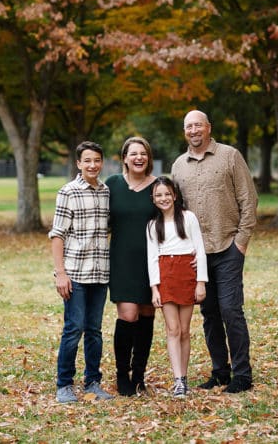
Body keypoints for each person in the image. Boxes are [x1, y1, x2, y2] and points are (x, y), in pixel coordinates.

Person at [171, 110, 258, 393]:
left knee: (231, 310)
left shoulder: (230, 156)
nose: (194, 130)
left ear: (208, 128)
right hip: (196, 254)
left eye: (198, 125)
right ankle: (220, 371)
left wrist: (241, 241)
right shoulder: (178, 165)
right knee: (209, 314)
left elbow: (249, 198)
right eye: (188, 126)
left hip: (227, 245)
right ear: (184, 131)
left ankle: (242, 375)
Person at [49, 141, 114, 404]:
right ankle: (64, 384)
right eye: (87, 160)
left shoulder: (106, 191)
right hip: (75, 273)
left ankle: (93, 382)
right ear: (78, 163)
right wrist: (60, 273)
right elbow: (57, 235)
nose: (93, 165)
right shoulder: (69, 192)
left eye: (97, 160)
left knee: (94, 330)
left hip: (100, 274)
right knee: (73, 329)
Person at [106, 136, 158, 396]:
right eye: (133, 153)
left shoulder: (158, 186)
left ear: (148, 158)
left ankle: (139, 374)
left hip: (152, 263)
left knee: (147, 315)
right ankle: (122, 374)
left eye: (144, 154)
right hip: (122, 261)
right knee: (128, 315)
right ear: (124, 158)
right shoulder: (113, 184)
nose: (139, 158)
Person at [146, 177, 208, 397]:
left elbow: (199, 250)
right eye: (158, 195)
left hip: (187, 275)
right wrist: (155, 288)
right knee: (172, 329)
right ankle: (178, 380)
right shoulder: (153, 225)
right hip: (166, 276)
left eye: (167, 194)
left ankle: (185, 376)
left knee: (184, 330)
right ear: (153, 200)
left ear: (174, 195)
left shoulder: (188, 218)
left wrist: (201, 282)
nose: (163, 198)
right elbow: (152, 258)